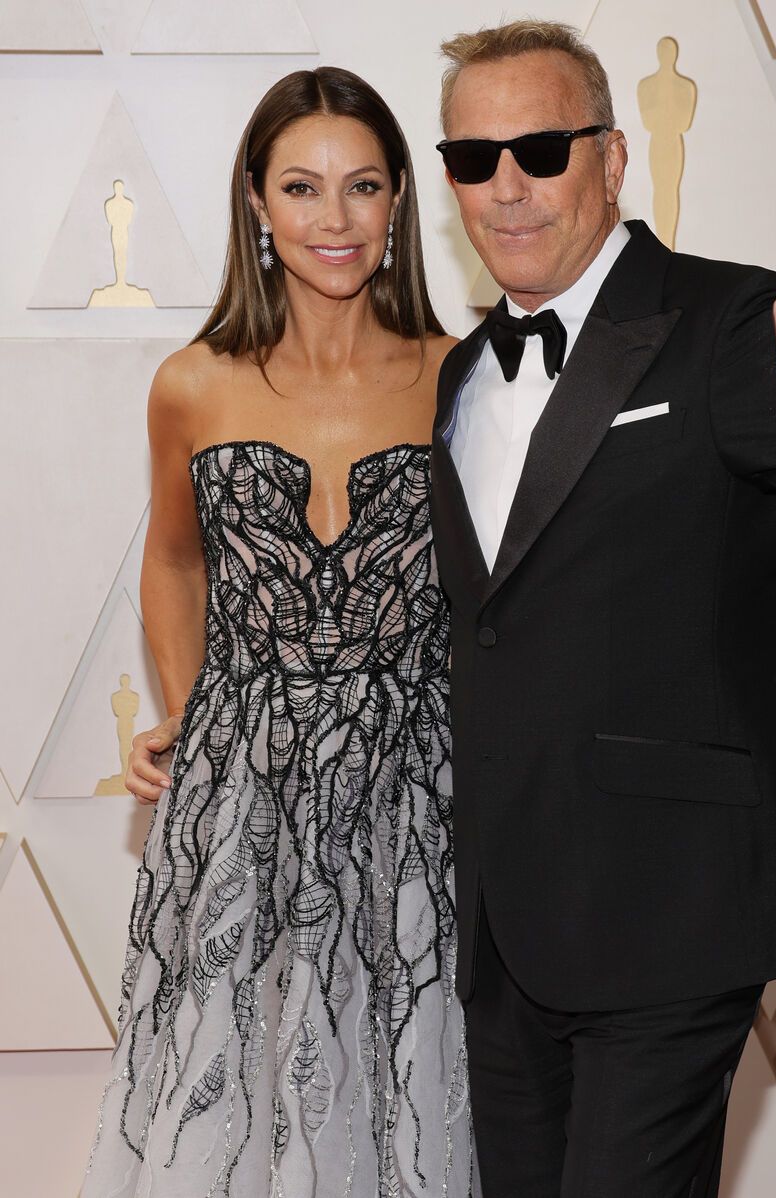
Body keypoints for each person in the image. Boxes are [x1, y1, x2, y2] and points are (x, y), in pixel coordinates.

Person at [430, 19, 776, 1198]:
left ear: (613, 159)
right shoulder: (463, 374)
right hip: (507, 924)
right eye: (471, 159)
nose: (505, 189)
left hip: (672, 905)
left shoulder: (728, 324)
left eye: (542, 149)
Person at [84, 67, 474, 1198]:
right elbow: (172, 557)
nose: (334, 220)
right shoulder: (193, 385)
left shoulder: (463, 379)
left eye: (360, 186)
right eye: (301, 188)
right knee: (243, 1082)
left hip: (419, 791)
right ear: (256, 203)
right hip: (240, 792)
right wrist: (190, 705)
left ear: (401, 198)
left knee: (401, 1067)